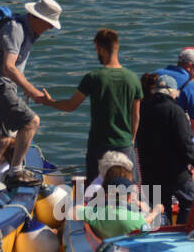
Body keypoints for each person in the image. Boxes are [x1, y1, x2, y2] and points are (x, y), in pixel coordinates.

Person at [34, 28, 143, 179]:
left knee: (96, 192)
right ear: (116, 47)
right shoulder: (133, 79)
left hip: (99, 146)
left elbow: (71, 106)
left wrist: (49, 102)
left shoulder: (94, 77)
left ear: (101, 49)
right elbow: (136, 115)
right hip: (124, 145)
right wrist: (130, 140)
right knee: (127, 190)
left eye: (96, 49)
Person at [0, 0, 62, 181]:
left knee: (1, 139)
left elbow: (12, 68)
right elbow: (9, 67)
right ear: (36, 17)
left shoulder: (28, 32)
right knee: (31, 122)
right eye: (49, 23)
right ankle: (16, 173)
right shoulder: (16, 29)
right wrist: (30, 89)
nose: (51, 27)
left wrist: (20, 87)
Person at [135, 73, 194, 224]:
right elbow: (185, 144)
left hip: (149, 170)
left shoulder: (143, 109)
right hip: (175, 172)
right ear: (172, 91)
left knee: (158, 209)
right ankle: (181, 231)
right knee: (191, 202)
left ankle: (161, 234)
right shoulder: (175, 111)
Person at [80, 174, 162, 238]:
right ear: (129, 198)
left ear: (107, 196)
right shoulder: (136, 219)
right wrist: (155, 212)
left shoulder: (94, 213)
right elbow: (146, 225)